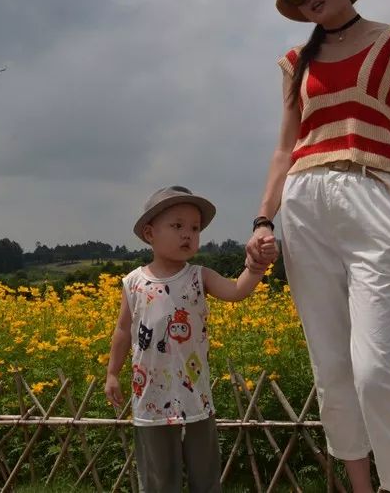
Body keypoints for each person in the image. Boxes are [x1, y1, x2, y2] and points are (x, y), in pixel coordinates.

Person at [246, 0, 390, 493]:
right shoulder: (294, 63)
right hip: (302, 202)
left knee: (375, 372)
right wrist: (262, 220)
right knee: (332, 370)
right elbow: (284, 148)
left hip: (372, 191)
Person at [105, 185, 277, 493]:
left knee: (205, 477)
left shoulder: (200, 275)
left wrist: (255, 267)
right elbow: (122, 330)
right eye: (177, 226)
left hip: (195, 397)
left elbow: (237, 290)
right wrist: (112, 373)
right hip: (150, 401)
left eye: (195, 228)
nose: (188, 234)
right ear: (149, 233)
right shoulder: (133, 282)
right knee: (158, 480)